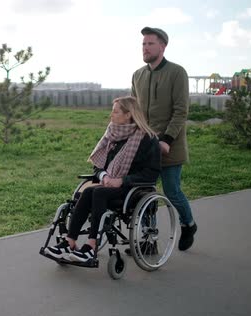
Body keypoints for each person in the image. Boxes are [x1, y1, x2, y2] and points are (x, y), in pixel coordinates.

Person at [44, 96, 161, 262]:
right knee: (89, 192)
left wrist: (122, 181)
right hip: (108, 184)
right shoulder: (112, 134)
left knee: (96, 192)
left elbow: (152, 173)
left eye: (115, 111)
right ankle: (69, 242)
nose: (111, 115)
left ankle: (91, 247)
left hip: (133, 188)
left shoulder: (148, 139)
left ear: (128, 115)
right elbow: (98, 166)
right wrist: (104, 176)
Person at [131, 27, 197, 251]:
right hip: (145, 147)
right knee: (145, 193)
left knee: (172, 191)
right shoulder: (137, 75)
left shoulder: (177, 72)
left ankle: (188, 224)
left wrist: (166, 139)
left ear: (162, 46)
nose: (145, 48)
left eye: (150, 44)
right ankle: (150, 241)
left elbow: (181, 111)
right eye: (143, 44)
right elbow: (134, 111)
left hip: (170, 146)